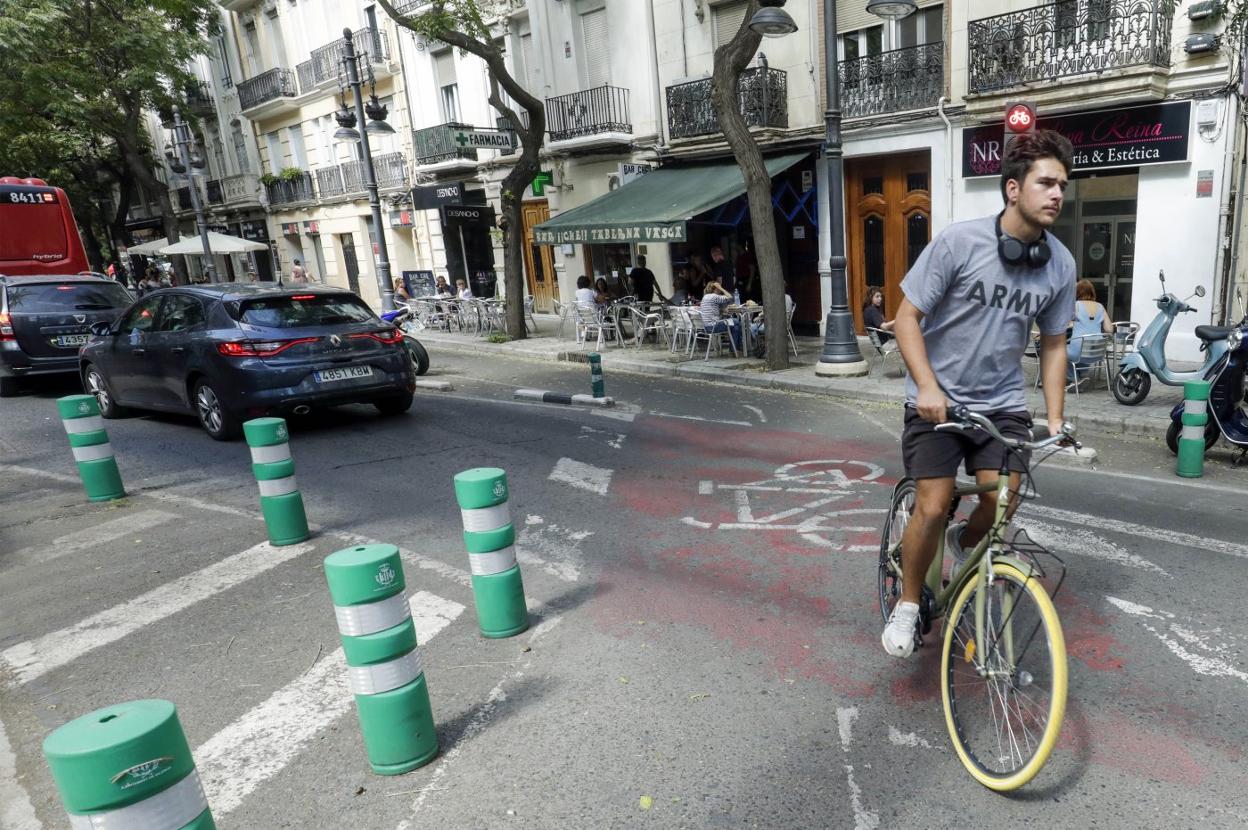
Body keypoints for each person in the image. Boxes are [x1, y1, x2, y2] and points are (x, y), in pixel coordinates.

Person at [881, 129, 1077, 659]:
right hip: (938, 401)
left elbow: (1054, 344)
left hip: (1003, 404)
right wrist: (926, 385)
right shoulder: (959, 242)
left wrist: (1056, 420)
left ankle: (965, 551)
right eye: (1045, 182)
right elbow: (905, 319)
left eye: (1063, 184)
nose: (1058, 193)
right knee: (934, 502)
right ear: (1013, 189)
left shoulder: (1059, 264)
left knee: (1003, 500)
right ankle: (908, 603)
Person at [1067, 278, 1113, 381]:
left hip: (1078, 352)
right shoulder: (1100, 307)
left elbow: (1063, 325)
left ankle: (1074, 380)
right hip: (1097, 353)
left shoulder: (1075, 305)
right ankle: (1084, 374)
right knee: (1082, 346)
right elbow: (1109, 329)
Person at [698, 280, 742, 352]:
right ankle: (734, 349)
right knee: (736, 322)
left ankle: (734, 349)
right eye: (719, 287)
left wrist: (722, 311)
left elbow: (712, 309)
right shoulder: (714, 296)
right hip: (714, 326)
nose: (720, 289)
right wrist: (722, 288)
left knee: (735, 325)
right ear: (716, 288)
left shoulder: (705, 297)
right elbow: (730, 297)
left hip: (707, 326)